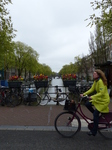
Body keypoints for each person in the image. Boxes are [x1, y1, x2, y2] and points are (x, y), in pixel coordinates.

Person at [80, 69, 110, 136]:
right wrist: (84, 94)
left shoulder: (100, 82)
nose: (93, 75)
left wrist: (92, 97)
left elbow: (101, 93)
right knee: (87, 104)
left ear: (98, 75)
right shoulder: (96, 81)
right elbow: (92, 89)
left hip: (103, 101)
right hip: (99, 99)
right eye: (93, 73)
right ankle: (96, 118)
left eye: (94, 74)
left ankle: (94, 131)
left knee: (95, 114)